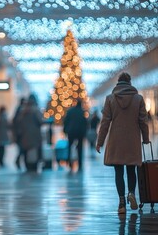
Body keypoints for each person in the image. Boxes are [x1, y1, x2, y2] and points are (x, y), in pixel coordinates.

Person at [96, 72, 150, 214]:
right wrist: (145, 139)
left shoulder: (110, 99)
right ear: (130, 83)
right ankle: (131, 193)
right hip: (132, 140)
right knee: (131, 169)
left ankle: (121, 203)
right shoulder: (138, 99)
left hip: (116, 140)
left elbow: (105, 122)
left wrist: (99, 142)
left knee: (118, 171)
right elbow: (143, 121)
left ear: (118, 83)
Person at [17, 94, 43, 172]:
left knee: (26, 151)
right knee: (36, 151)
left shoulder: (22, 111)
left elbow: (18, 122)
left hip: (25, 135)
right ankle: (34, 166)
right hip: (35, 135)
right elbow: (40, 121)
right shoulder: (36, 110)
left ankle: (28, 167)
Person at [63, 100, 88, 171]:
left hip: (71, 132)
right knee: (80, 148)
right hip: (80, 132)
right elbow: (85, 123)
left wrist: (65, 130)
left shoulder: (70, 111)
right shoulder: (82, 112)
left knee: (69, 147)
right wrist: (84, 133)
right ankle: (80, 164)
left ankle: (69, 162)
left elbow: (66, 121)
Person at [12, 97, 26, 169]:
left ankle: (18, 161)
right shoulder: (22, 110)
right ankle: (18, 161)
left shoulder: (18, 110)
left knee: (21, 149)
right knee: (22, 149)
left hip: (19, 133)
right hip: (21, 134)